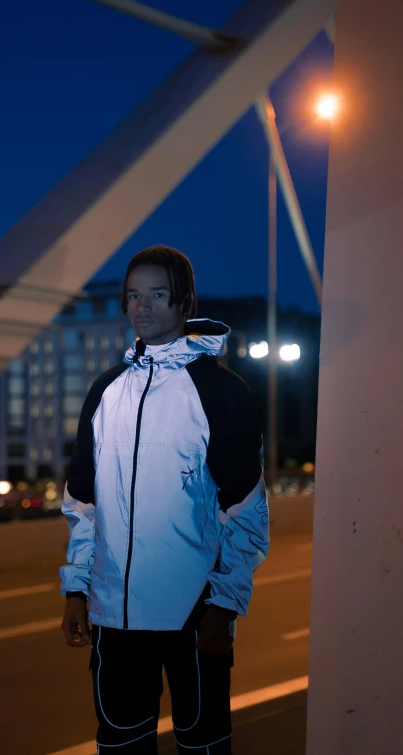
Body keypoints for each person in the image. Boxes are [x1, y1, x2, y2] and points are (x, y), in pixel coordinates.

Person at [60, 246, 269, 754]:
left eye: (157, 293)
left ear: (185, 301)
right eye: (133, 294)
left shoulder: (220, 391)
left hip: (194, 613)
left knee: (202, 744)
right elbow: (83, 504)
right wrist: (76, 588)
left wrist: (225, 605)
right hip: (115, 615)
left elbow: (246, 510)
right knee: (121, 743)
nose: (142, 306)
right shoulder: (106, 391)